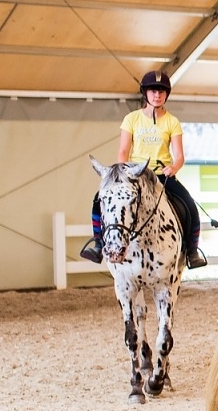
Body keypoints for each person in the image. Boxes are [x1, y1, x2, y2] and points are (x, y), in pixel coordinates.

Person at [80, 71, 206, 269]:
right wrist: (125, 173)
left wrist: (173, 167)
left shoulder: (172, 122)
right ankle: (98, 244)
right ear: (145, 93)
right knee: (98, 199)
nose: (157, 95)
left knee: (189, 205)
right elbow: (123, 151)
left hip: (162, 175)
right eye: (153, 91)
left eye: (162, 92)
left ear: (166, 95)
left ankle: (192, 251)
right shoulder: (131, 119)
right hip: (134, 174)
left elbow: (179, 155)